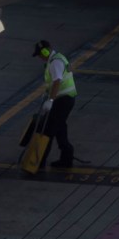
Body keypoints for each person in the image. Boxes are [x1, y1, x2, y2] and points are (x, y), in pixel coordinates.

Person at [33, 39, 78, 169]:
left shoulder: (55, 63)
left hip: (62, 100)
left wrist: (51, 100)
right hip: (65, 99)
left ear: (46, 51)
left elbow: (57, 82)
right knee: (60, 128)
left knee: (48, 130)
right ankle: (66, 158)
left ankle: (39, 162)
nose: (40, 58)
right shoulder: (56, 59)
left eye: (40, 54)